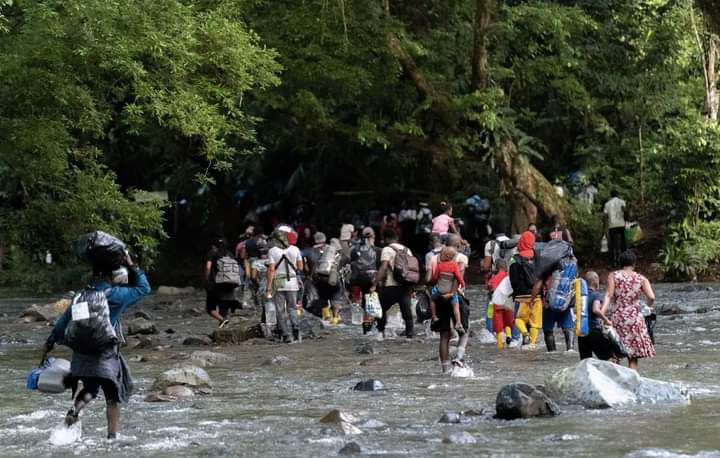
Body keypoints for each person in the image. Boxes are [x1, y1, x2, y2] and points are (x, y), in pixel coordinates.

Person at [41, 253, 150, 439]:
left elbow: (62, 323)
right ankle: (112, 437)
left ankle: (75, 410)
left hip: (81, 353)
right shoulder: (115, 295)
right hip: (105, 353)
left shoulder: (80, 296)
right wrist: (133, 265)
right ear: (110, 276)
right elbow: (143, 288)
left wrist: (50, 343)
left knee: (90, 389)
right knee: (112, 398)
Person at [602, 250, 656, 370]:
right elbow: (652, 297)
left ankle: (615, 382)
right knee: (633, 356)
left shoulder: (613, 276)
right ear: (634, 263)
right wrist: (647, 307)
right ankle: (632, 383)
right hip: (635, 318)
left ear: (621, 263)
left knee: (616, 352)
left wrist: (602, 313)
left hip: (618, 317)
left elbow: (608, 295)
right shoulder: (641, 278)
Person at [374, 229, 415, 339]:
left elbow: (383, 267)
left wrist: (375, 283)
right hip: (406, 285)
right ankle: (410, 336)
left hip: (391, 285)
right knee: (407, 312)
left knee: (380, 309)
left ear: (386, 238)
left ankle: (380, 334)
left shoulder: (387, 249)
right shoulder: (407, 250)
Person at [266, 229, 304, 343]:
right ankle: (296, 329)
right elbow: (300, 268)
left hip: (279, 282)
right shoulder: (295, 249)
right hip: (292, 282)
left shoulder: (272, 251)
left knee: (280, 310)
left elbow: (271, 270)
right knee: (292, 307)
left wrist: (268, 286)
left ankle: (286, 335)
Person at [511, 227, 541, 350]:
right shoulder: (538, 258)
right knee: (535, 322)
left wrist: (516, 292)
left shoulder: (515, 259)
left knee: (518, 318)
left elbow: (513, 281)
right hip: (537, 295)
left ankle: (524, 333)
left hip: (521, 296)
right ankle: (532, 344)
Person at [305, 232, 345, 324]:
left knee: (323, 296)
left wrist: (310, 277)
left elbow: (307, 267)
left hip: (318, 278)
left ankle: (326, 317)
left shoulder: (310, 251)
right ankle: (335, 318)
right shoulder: (330, 249)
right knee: (335, 295)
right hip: (332, 277)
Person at [349, 227, 381, 334]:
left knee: (365, 303)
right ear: (372, 236)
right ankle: (372, 328)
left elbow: (353, 265)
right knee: (372, 303)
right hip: (373, 279)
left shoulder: (354, 250)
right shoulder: (377, 250)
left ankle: (366, 328)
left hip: (359, 280)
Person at [205, 238, 242, 328]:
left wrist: (206, 279)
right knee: (224, 309)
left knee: (210, 308)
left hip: (216, 284)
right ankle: (224, 329)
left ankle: (222, 320)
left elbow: (208, 267)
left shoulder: (213, 253)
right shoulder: (230, 254)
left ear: (214, 246)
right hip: (230, 284)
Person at [577, 271, 614, 360]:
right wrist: (606, 320)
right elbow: (595, 309)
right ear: (595, 281)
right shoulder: (596, 294)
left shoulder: (580, 296)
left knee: (585, 361)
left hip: (581, 331)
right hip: (594, 330)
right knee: (608, 358)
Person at [429, 246, 465, 334]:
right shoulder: (454, 265)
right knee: (455, 306)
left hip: (439, 291)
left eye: (441, 254)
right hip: (450, 291)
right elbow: (459, 277)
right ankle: (458, 323)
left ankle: (434, 316)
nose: (440, 256)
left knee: (432, 299)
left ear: (447, 256)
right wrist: (462, 284)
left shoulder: (440, 266)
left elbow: (435, 277)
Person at [603, 190, 627, 267]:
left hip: (612, 226)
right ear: (618, 194)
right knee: (623, 243)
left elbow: (605, 216)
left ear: (611, 195)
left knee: (613, 244)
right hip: (621, 224)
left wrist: (605, 227)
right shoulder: (622, 201)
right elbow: (625, 211)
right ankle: (624, 261)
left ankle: (614, 262)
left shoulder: (607, 204)